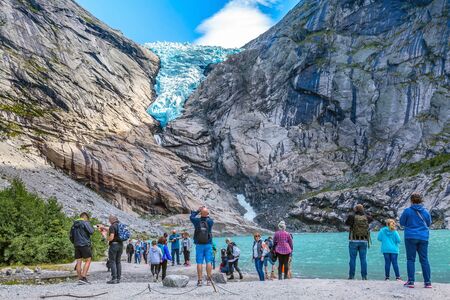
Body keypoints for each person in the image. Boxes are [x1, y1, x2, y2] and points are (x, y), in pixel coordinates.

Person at [400, 193, 432, 288]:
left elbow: (402, 223)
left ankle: (411, 281)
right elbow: (429, 223)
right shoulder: (426, 212)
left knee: (410, 259)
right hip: (423, 237)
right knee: (424, 259)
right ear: (421, 200)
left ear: (411, 200)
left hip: (410, 237)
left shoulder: (407, 211)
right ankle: (427, 282)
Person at [345, 204, 372, 280]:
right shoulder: (366, 217)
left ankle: (351, 276)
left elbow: (346, 223)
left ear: (355, 209)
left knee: (352, 259)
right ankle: (364, 276)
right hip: (364, 240)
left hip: (353, 240)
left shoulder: (352, 216)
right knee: (363, 259)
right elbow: (371, 219)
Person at [190, 205, 214, 286]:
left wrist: (198, 211)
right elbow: (208, 217)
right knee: (208, 262)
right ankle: (209, 280)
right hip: (208, 244)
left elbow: (191, 216)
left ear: (201, 214)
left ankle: (200, 281)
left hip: (199, 244)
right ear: (207, 214)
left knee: (199, 262)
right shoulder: (210, 221)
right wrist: (205, 213)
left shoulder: (196, 221)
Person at [69, 212, 95, 284]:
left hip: (76, 245)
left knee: (78, 262)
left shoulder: (74, 225)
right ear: (85, 217)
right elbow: (91, 231)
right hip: (85, 244)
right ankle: (83, 278)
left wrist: (74, 243)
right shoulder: (85, 222)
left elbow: (71, 236)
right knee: (88, 260)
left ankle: (80, 278)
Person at [106, 215, 123, 284]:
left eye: (109, 220)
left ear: (112, 220)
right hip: (120, 245)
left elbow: (112, 237)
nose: (109, 221)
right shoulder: (120, 225)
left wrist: (106, 239)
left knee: (112, 261)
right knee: (118, 262)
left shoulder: (112, 226)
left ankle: (114, 278)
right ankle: (118, 278)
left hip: (114, 245)